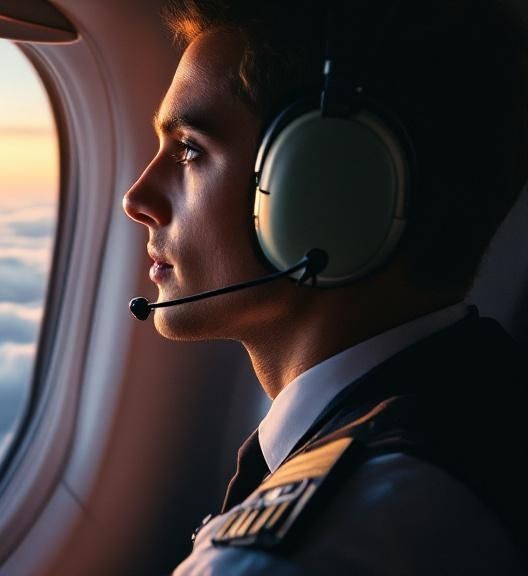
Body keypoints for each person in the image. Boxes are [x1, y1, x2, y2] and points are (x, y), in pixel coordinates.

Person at [121, 0, 528, 574]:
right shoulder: (486, 394)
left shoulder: (303, 551)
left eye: (189, 148)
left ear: (328, 188)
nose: (136, 199)